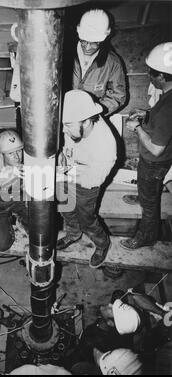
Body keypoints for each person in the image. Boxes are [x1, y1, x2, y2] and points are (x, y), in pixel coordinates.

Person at [120, 43, 172, 250]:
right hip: (156, 161)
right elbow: (163, 126)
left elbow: (156, 148)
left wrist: (137, 127)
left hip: (155, 161)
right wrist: (147, 114)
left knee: (150, 204)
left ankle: (146, 237)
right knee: (147, 190)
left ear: (161, 76)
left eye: (151, 72)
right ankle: (144, 195)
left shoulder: (169, 107)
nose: (149, 76)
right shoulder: (168, 96)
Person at [56, 90, 116, 268]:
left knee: (87, 220)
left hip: (86, 185)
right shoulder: (75, 124)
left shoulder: (105, 145)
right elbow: (65, 144)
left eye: (67, 125)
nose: (63, 130)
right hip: (66, 173)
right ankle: (73, 234)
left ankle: (102, 244)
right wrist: (60, 156)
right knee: (65, 208)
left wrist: (65, 173)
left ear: (87, 121)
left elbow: (92, 180)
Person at [72, 9, 126, 116]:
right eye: (83, 41)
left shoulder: (112, 63)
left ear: (103, 39)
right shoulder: (63, 54)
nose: (87, 47)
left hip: (92, 116)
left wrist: (95, 112)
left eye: (94, 43)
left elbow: (118, 96)